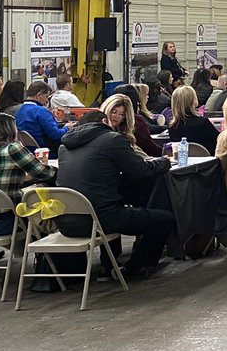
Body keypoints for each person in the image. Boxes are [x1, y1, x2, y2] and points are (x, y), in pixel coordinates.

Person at [56, 105, 174, 280]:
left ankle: (108, 264)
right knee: (165, 219)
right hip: (101, 219)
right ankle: (134, 268)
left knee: (112, 200)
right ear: (105, 122)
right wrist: (165, 162)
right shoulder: (112, 139)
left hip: (66, 221)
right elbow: (140, 170)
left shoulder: (64, 147)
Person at [0, 112, 56, 237]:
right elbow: (44, 173)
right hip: (7, 221)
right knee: (43, 207)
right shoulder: (12, 148)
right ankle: (45, 253)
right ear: (10, 130)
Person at [14, 81, 69, 150]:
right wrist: (67, 128)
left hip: (27, 151)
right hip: (45, 151)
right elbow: (55, 135)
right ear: (39, 95)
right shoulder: (41, 111)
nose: (47, 101)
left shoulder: (18, 111)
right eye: (46, 97)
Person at [167, 85, 219, 155]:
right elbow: (218, 140)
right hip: (207, 161)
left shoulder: (172, 126)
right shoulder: (203, 123)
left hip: (184, 161)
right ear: (192, 100)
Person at [114, 85, 161, 157]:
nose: (117, 116)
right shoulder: (136, 122)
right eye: (114, 112)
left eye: (121, 114)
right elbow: (149, 147)